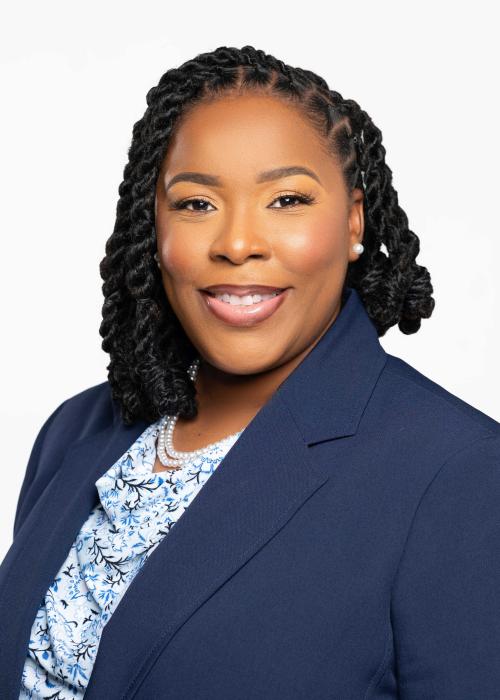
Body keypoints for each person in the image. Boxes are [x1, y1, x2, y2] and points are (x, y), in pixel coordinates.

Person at [0, 44, 498, 700]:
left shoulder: (460, 475)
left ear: (353, 220)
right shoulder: (77, 430)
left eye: (286, 199)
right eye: (196, 204)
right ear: (153, 227)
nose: (237, 243)